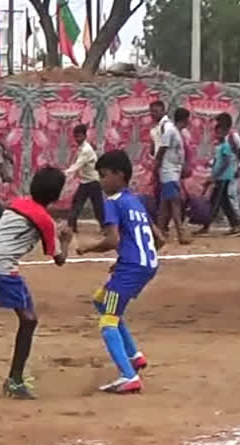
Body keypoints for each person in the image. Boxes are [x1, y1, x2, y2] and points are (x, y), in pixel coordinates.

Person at [0, 167, 71, 400]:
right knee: (29, 319)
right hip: (1, 267)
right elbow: (59, 260)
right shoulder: (45, 220)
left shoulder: (18, 203)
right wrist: (65, 240)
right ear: (56, 195)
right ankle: (14, 380)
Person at [77, 150, 165, 394]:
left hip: (132, 269)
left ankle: (128, 376)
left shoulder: (113, 202)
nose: (102, 181)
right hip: (146, 265)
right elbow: (159, 238)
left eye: (104, 176)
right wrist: (131, 259)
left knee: (108, 322)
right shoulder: (135, 201)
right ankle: (134, 355)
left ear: (119, 175)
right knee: (102, 300)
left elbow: (112, 240)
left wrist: (87, 248)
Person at [195, 123, 240, 236]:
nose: (218, 134)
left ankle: (206, 226)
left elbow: (225, 162)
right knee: (224, 202)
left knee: (214, 202)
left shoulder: (225, 146)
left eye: (221, 132)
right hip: (220, 177)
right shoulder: (219, 146)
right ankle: (235, 225)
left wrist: (215, 176)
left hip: (223, 177)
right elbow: (218, 162)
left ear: (225, 133)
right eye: (217, 132)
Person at [154, 107, 191, 245]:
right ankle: (181, 234)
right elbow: (161, 149)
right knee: (175, 202)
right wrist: (157, 166)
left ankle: (159, 232)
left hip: (172, 171)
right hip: (168, 172)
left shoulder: (175, 132)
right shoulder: (171, 132)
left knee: (165, 205)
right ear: (185, 119)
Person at [65, 124, 102, 233]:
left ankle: (106, 228)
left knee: (98, 207)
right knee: (76, 204)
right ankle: (72, 227)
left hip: (93, 182)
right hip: (85, 181)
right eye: (75, 136)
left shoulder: (86, 150)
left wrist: (64, 174)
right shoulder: (82, 148)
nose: (77, 139)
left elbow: (77, 165)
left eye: (80, 136)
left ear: (85, 136)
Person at [215, 113, 240, 226]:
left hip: (232, 169)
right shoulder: (223, 137)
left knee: (230, 194)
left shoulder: (233, 136)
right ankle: (233, 218)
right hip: (226, 171)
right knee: (226, 195)